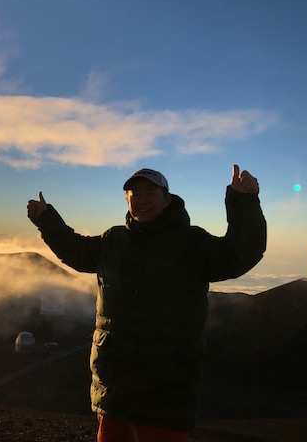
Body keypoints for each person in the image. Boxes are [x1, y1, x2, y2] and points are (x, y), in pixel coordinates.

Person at [27, 165, 266, 442]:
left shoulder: (191, 243)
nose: (141, 199)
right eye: (134, 193)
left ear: (166, 198)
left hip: (165, 392)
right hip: (114, 388)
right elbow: (75, 250)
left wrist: (244, 200)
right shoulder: (113, 240)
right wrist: (46, 219)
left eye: (150, 193)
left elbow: (238, 254)